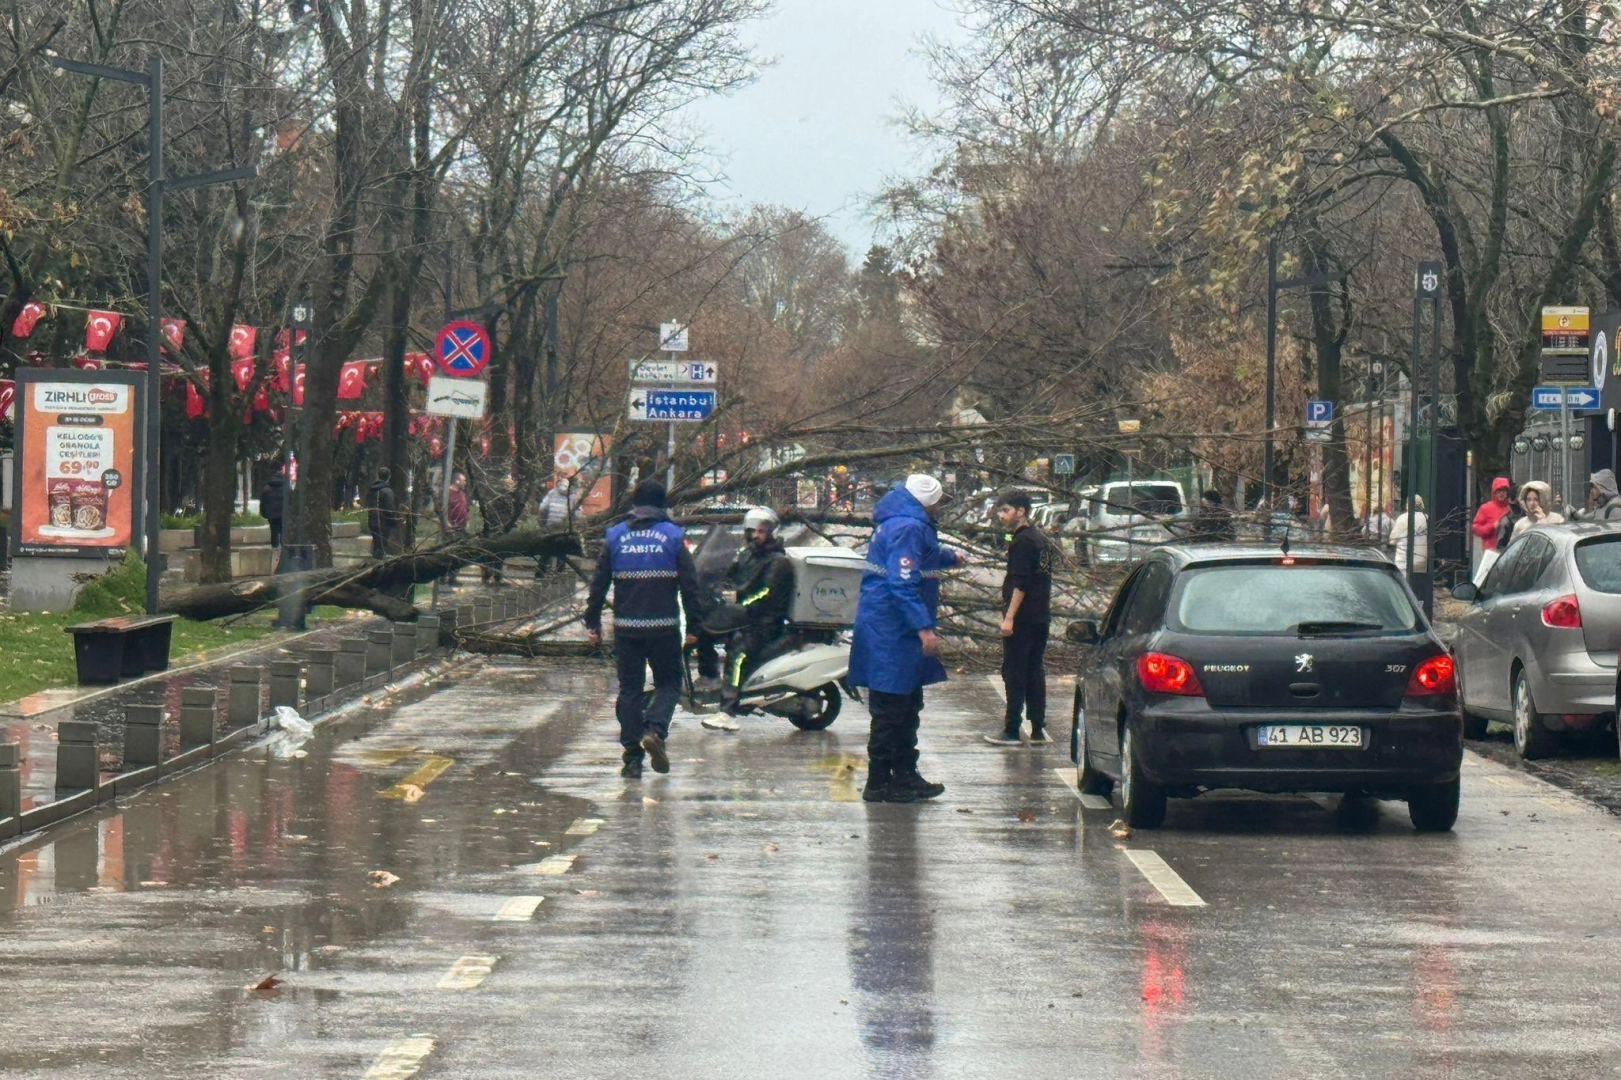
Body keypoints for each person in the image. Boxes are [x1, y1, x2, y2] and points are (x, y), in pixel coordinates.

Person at [848, 473, 962, 803]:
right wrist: (923, 627)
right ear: (927, 501)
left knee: (906, 703)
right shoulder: (909, 527)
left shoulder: (901, 523)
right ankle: (883, 780)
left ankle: (902, 774)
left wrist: (948, 557)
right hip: (892, 631)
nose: (940, 507)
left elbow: (916, 559)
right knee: (892, 708)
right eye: (939, 501)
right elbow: (902, 582)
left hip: (888, 628)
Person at [584, 480, 703, 779]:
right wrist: (696, 626)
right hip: (664, 627)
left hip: (627, 629)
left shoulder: (615, 537)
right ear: (662, 505)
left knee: (630, 691)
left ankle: (631, 758)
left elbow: (598, 584)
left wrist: (592, 623)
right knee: (669, 683)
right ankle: (655, 730)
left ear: (635, 505)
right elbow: (690, 585)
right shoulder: (673, 537)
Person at [984, 490, 1054, 746]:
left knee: (1014, 671)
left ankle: (1012, 729)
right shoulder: (1040, 539)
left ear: (1021, 511)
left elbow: (1020, 583)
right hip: (1040, 616)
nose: (1001, 516)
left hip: (1022, 619)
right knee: (1034, 670)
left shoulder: (1022, 542)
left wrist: (1009, 617)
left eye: (1005, 510)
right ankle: (1037, 728)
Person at [536, 477, 578, 577]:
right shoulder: (573, 496)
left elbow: (542, 508)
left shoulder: (552, 493)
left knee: (547, 550)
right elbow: (578, 514)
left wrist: (542, 523)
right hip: (565, 528)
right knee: (562, 551)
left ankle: (540, 573)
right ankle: (559, 574)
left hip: (551, 526)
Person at [1470, 477, 1513, 555]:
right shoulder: (1485, 508)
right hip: (1490, 552)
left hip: (1508, 551)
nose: (1501, 494)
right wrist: (1492, 527)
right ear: (1494, 492)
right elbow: (1476, 528)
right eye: (1498, 491)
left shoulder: (1511, 509)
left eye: (1503, 490)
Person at [443, 472, 469, 590]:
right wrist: (447, 524)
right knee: (448, 552)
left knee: (459, 553)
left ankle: (453, 577)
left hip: (461, 528)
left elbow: (465, 509)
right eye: (463, 480)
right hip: (450, 529)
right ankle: (443, 577)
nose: (465, 483)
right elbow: (442, 510)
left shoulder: (462, 494)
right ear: (457, 481)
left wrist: (467, 521)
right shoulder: (447, 494)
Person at [1389, 495, 1427, 573]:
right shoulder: (1426, 518)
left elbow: (1392, 540)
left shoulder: (1402, 518)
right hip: (1422, 561)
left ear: (1408, 504)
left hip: (1404, 561)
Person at [368, 467, 397, 559]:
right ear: (389, 477)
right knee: (381, 546)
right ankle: (377, 567)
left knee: (377, 544)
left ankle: (373, 563)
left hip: (372, 520)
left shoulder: (371, 490)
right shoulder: (388, 492)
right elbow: (390, 509)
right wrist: (393, 520)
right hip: (383, 521)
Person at [258, 460, 287, 550]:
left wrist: (263, 513)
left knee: (274, 530)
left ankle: (274, 548)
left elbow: (263, 502)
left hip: (272, 514)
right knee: (284, 531)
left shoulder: (267, 488)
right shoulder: (286, 488)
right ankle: (284, 548)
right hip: (283, 514)